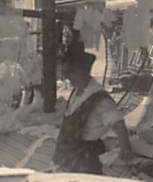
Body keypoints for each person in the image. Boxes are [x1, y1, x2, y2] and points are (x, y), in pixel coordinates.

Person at [52, 46, 133, 174]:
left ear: (83, 71)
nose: (67, 77)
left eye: (71, 72)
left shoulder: (99, 98)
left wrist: (126, 149)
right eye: (66, 72)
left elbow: (119, 124)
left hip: (86, 158)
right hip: (70, 155)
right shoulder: (76, 92)